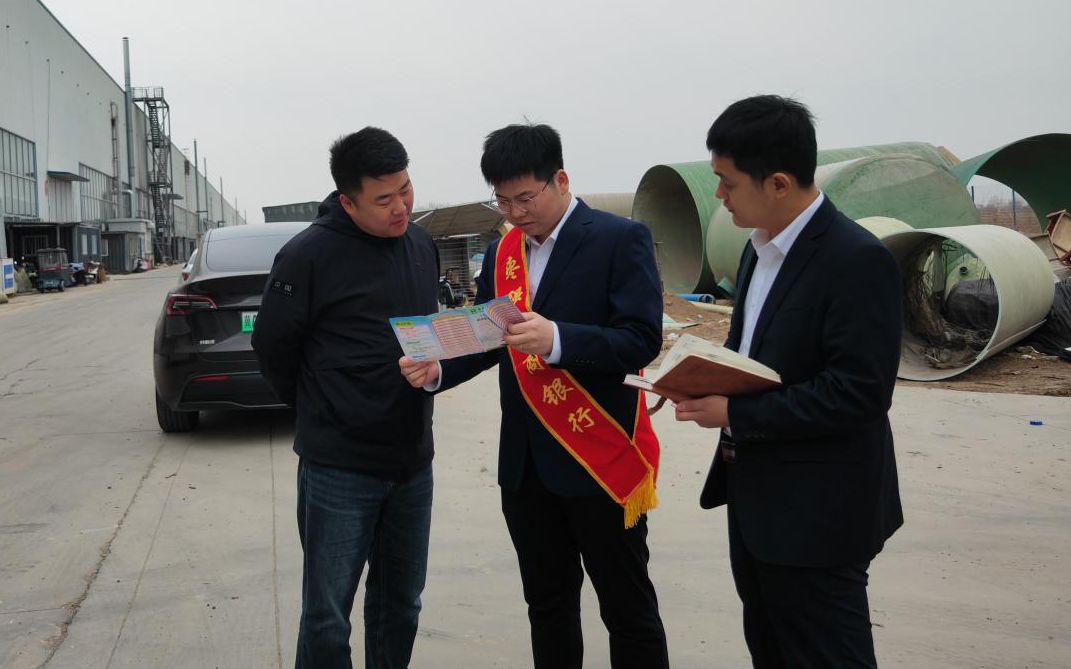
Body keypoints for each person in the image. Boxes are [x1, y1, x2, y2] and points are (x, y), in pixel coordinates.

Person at [400, 123, 669, 669]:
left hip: (599, 458)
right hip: (526, 468)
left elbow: (641, 339)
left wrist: (559, 340)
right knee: (547, 607)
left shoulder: (619, 239)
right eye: (503, 200)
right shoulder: (502, 252)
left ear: (560, 180)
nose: (515, 212)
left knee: (627, 610)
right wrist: (437, 369)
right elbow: (488, 337)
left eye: (525, 197)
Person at [675, 95, 903, 668]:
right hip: (756, 501)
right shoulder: (758, 250)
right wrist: (692, 378)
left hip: (819, 515)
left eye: (727, 182)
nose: (719, 195)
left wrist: (735, 414)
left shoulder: (856, 260)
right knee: (772, 650)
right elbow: (751, 355)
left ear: (777, 183)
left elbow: (859, 393)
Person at [252, 127, 438, 669]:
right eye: (383, 199)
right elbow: (273, 347)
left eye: (405, 189)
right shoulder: (308, 255)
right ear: (347, 201)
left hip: (411, 462)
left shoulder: (420, 246)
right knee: (327, 617)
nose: (400, 207)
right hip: (339, 468)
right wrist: (320, 409)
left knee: (401, 604)